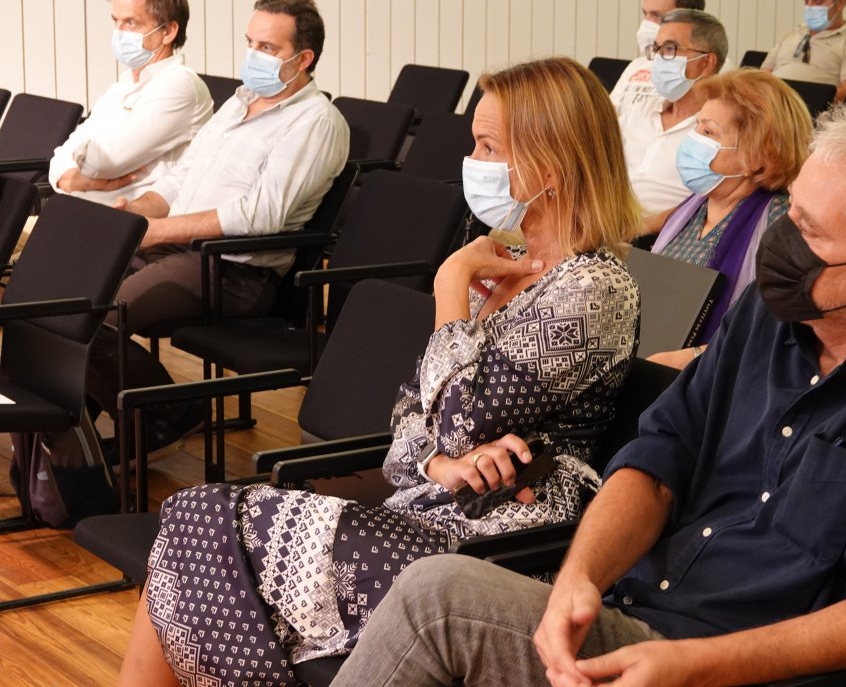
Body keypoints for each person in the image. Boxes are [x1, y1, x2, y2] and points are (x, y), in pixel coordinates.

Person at [329, 108, 846, 687]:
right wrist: (579, 580)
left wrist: (693, 666)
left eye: (808, 230)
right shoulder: (769, 316)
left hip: (748, 667)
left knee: (435, 601)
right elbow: (660, 457)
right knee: (431, 594)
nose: (780, 239)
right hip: (646, 623)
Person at [117, 57, 643, 687]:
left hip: (506, 545)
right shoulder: (506, 264)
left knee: (195, 522)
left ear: (551, 164)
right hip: (430, 507)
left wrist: (451, 282)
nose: (470, 161)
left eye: (488, 146)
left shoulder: (592, 287)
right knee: (193, 520)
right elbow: (408, 428)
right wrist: (442, 464)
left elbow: (458, 418)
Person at [87, 0, 350, 456]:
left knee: (96, 323)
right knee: (65, 306)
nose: (253, 55)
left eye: (268, 48)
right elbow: (180, 180)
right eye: (251, 42)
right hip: (180, 249)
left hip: (233, 271)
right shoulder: (239, 102)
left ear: (303, 58)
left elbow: (261, 215)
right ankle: (77, 439)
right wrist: (136, 214)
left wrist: (157, 232)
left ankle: (172, 415)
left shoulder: (317, 121)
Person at [643, 68, 812, 367]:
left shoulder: (780, 223)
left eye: (708, 132)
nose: (693, 140)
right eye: (697, 127)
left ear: (758, 155)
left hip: (713, 375)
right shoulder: (695, 205)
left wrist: (694, 358)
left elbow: (776, 334)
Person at [48, 0, 213, 204]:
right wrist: (69, 176)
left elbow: (102, 162)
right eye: (116, 21)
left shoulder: (180, 85)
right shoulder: (126, 83)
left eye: (131, 22)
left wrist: (76, 166)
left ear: (168, 31)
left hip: (129, 225)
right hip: (79, 210)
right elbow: (63, 153)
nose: (119, 32)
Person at [621, 8, 727, 215]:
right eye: (657, 48)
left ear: (705, 63)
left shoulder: (721, 129)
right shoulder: (641, 109)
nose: (659, 58)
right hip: (605, 224)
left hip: (655, 239)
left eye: (670, 49)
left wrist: (639, 229)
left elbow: (710, 209)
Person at [610, 0, 707, 116]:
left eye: (656, 15)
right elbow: (609, 115)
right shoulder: (638, 64)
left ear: (686, 17)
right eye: (645, 13)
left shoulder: (704, 64)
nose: (646, 23)